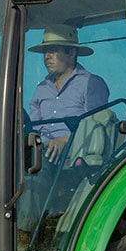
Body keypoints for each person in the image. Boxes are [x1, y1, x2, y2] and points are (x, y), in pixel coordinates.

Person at [26, 26, 109, 165]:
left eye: (52, 51)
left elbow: (95, 127)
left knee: (35, 166)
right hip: (42, 149)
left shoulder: (90, 83)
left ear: (71, 53)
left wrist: (63, 140)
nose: (46, 57)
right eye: (45, 52)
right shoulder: (41, 89)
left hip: (74, 151)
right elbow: (33, 126)